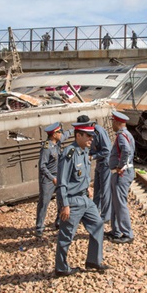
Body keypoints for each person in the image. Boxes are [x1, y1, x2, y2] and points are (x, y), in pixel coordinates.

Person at [55, 120, 110, 276]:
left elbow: (82, 175)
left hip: (85, 199)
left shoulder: (84, 150)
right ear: (78, 135)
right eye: (88, 136)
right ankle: (61, 267)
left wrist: (87, 188)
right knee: (66, 236)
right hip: (72, 201)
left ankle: (93, 260)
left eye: (92, 136)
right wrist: (64, 205)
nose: (91, 139)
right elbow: (62, 183)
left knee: (98, 225)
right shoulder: (69, 153)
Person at [34, 122, 72, 238]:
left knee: (61, 200)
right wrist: (52, 178)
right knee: (44, 203)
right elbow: (42, 166)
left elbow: (66, 135)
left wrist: (75, 129)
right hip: (48, 179)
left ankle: (59, 222)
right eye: (59, 132)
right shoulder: (47, 148)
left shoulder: (57, 143)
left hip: (58, 177)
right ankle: (39, 227)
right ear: (53, 134)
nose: (61, 134)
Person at [107, 111, 136, 244]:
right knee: (116, 203)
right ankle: (116, 231)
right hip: (123, 172)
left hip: (122, 173)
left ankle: (127, 233)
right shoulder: (128, 134)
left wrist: (120, 165)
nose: (112, 124)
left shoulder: (121, 136)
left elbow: (126, 150)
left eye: (113, 121)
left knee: (120, 204)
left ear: (118, 123)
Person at [76, 115, 112, 223]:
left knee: (105, 191)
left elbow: (107, 150)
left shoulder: (98, 132)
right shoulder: (90, 132)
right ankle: (94, 213)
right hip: (99, 162)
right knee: (97, 189)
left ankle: (105, 216)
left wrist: (92, 157)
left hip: (105, 162)